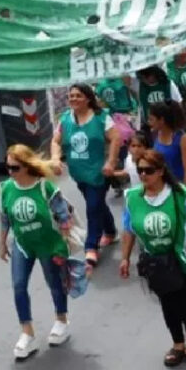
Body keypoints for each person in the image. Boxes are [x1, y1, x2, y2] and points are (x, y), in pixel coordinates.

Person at [119, 150, 186, 367]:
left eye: (149, 170)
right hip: (155, 263)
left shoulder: (181, 195)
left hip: (181, 258)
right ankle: (177, 344)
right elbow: (128, 230)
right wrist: (125, 258)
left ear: (161, 171)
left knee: (183, 302)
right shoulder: (133, 198)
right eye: (140, 170)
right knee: (167, 304)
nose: (144, 175)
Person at [0, 144, 73, 360]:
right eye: (8, 167)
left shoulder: (44, 188)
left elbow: (63, 215)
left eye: (14, 168)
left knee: (54, 283)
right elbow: (5, 218)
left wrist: (64, 243)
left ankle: (61, 319)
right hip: (23, 243)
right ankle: (27, 332)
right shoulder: (6, 189)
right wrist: (2, 243)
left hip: (47, 244)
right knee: (19, 285)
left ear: (27, 166)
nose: (10, 172)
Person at [51, 83, 121, 267]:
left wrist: (111, 162)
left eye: (78, 96)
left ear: (88, 98)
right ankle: (111, 231)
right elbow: (56, 141)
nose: (73, 99)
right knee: (96, 204)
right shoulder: (65, 119)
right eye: (71, 96)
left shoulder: (101, 117)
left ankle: (91, 248)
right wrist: (55, 158)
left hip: (99, 173)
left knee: (92, 206)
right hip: (79, 173)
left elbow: (116, 138)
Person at [95, 75, 136, 197]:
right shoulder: (120, 80)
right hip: (120, 118)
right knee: (120, 149)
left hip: (120, 117)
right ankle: (120, 179)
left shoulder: (103, 84)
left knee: (121, 148)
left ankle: (123, 178)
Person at [150, 101, 186, 187]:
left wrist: (185, 193)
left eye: (152, 119)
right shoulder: (154, 134)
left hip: (178, 185)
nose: (149, 122)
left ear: (161, 120)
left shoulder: (181, 138)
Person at [136, 66, 182, 140]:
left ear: (153, 74)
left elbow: (179, 103)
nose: (144, 79)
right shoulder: (140, 86)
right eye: (142, 77)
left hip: (168, 124)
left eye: (146, 77)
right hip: (151, 126)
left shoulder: (168, 84)